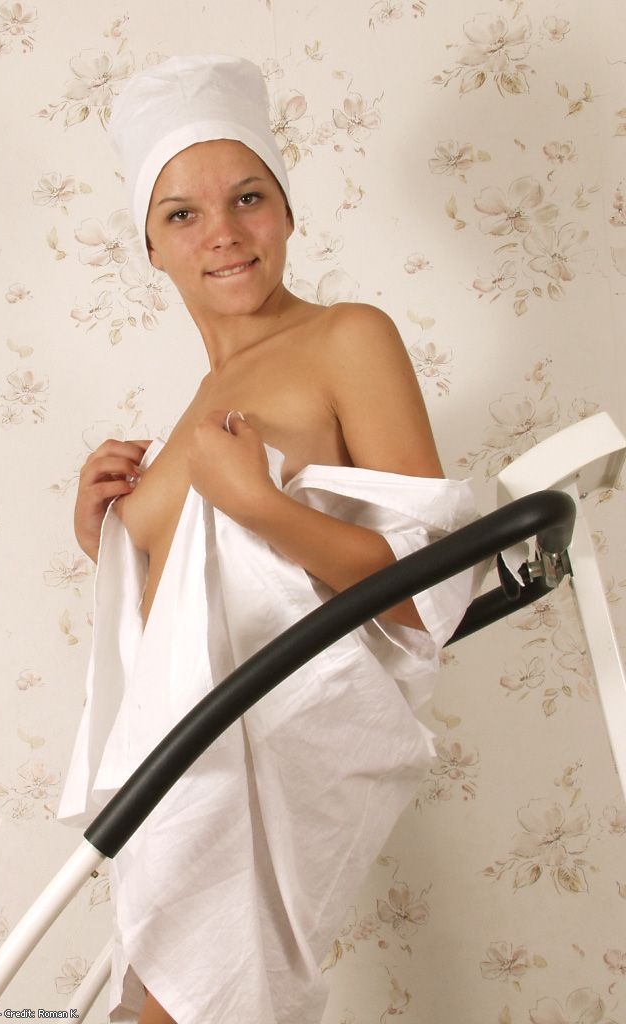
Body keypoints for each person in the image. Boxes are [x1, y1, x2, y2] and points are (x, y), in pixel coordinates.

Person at [58, 55, 477, 1024]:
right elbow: (196, 610)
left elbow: (429, 597)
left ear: (286, 209)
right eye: (183, 214)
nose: (224, 233)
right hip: (184, 761)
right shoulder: (196, 407)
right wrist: (107, 540)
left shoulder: (347, 338)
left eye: (248, 197)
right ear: (150, 248)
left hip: (273, 757)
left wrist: (260, 505)